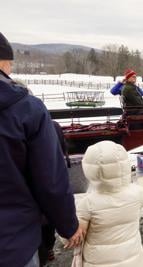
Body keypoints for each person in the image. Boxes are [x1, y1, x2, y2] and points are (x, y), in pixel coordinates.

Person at [0, 32, 84, 267]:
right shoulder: (26, 110)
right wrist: (69, 225)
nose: (11, 70)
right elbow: (51, 181)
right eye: (9, 63)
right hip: (11, 243)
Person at [76, 140, 143, 267]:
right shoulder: (135, 193)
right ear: (124, 166)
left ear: (89, 170)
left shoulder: (87, 204)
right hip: (133, 261)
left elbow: (73, 236)